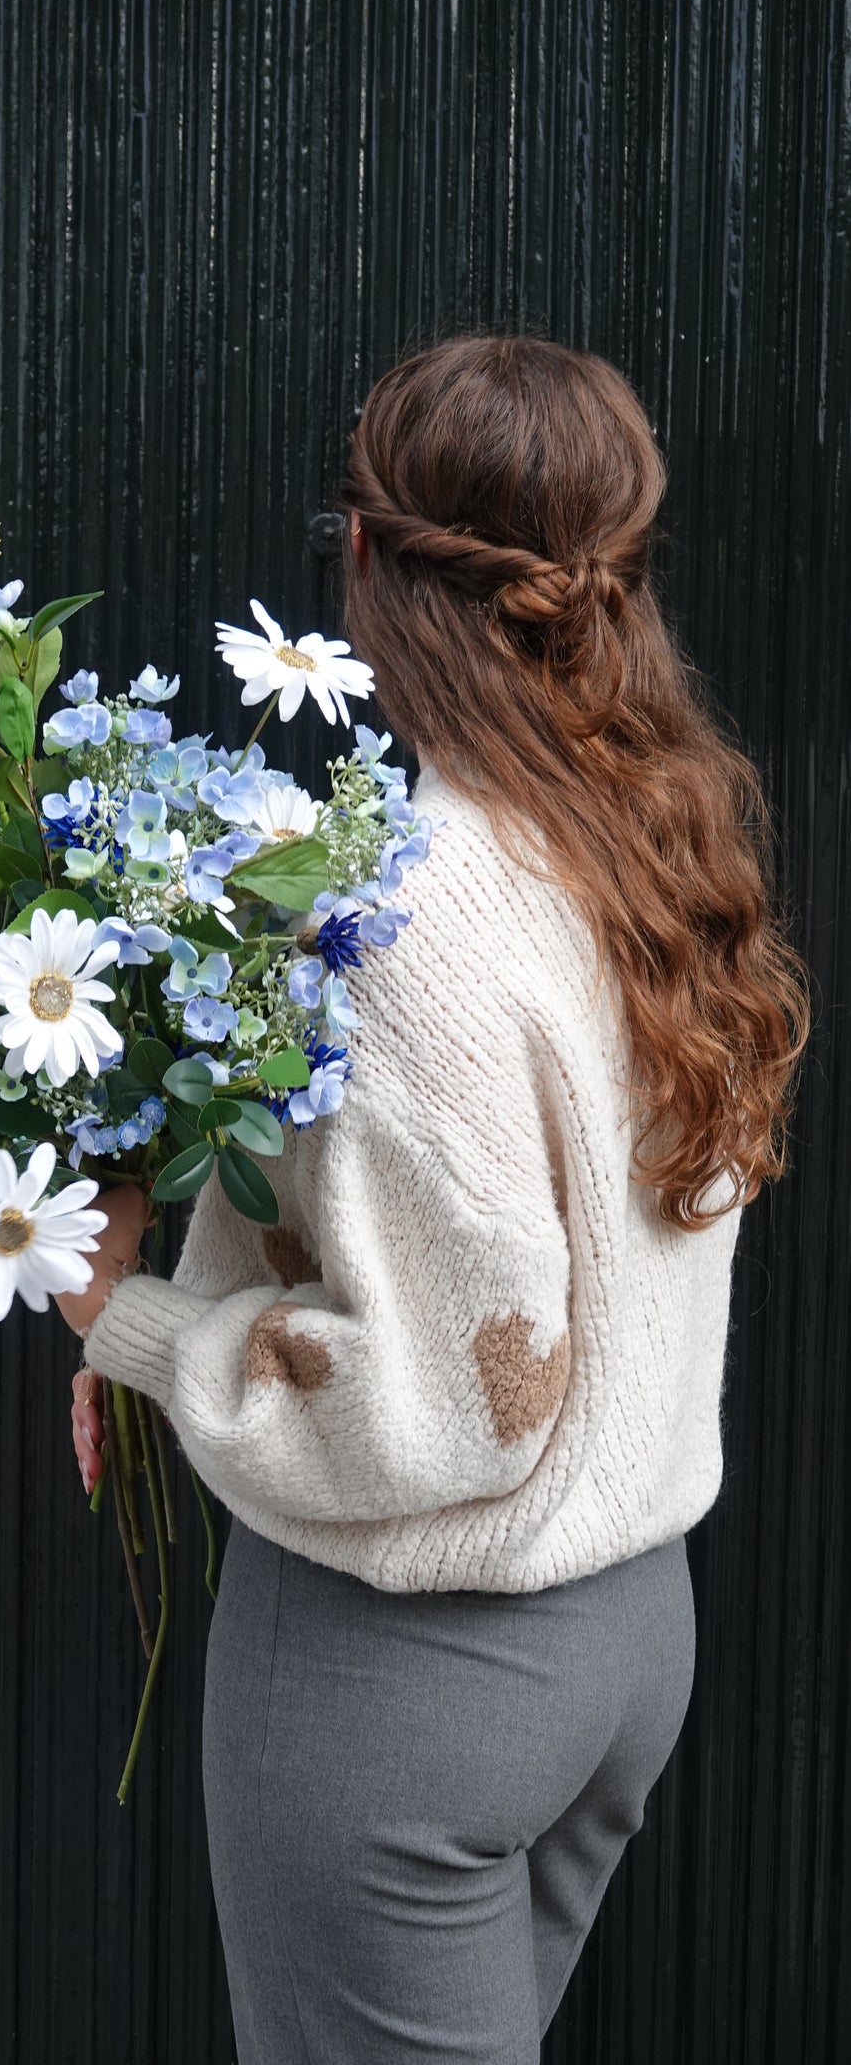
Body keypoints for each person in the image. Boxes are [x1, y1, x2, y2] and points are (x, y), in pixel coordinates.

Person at [54, 335, 810, 2063]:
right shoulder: (648, 840)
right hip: (622, 1636)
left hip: (411, 1670)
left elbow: (455, 1402)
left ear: (369, 563)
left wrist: (134, 1320)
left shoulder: (411, 922)